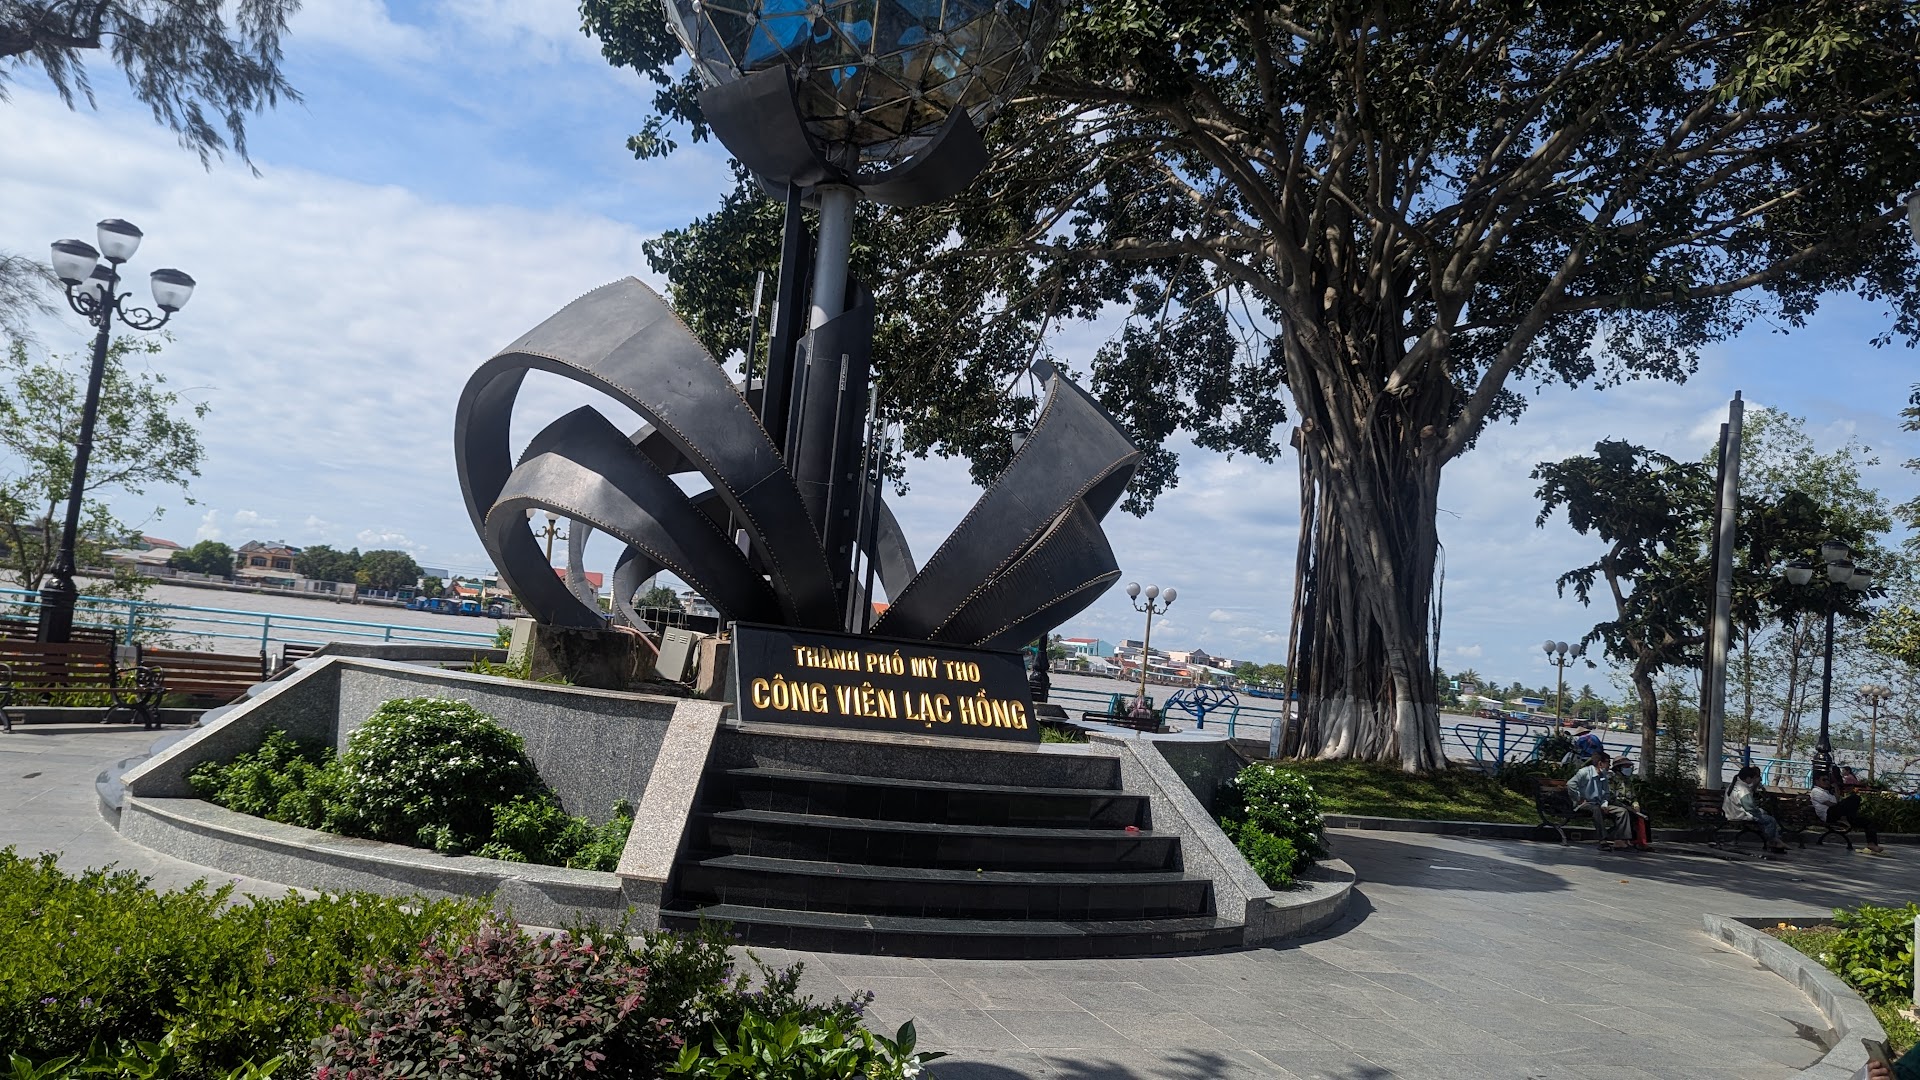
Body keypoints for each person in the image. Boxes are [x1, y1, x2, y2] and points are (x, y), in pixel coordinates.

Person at [1810, 772, 1888, 855]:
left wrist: (1836, 789)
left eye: (1827, 780)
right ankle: (1850, 817)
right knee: (1854, 798)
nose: (1827, 782)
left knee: (1868, 822)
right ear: (1817, 781)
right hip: (1828, 814)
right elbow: (1830, 804)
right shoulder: (1816, 791)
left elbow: (1836, 801)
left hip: (1836, 813)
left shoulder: (1827, 792)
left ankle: (1872, 844)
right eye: (1824, 780)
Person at [1569, 752, 1632, 848]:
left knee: (1622, 811)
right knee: (1596, 809)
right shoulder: (1584, 772)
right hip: (1585, 804)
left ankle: (1621, 840)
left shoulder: (1603, 776)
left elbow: (1606, 794)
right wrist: (1578, 798)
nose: (1609, 766)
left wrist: (1604, 804)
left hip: (1598, 803)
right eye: (1608, 763)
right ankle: (1603, 839)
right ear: (1600, 763)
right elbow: (1571, 784)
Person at [1724, 765, 1787, 854]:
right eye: (1752, 778)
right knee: (1770, 820)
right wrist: (1759, 813)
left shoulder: (1732, 785)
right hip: (1740, 815)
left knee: (1765, 817)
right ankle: (1772, 841)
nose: (1753, 780)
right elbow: (1750, 807)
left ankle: (1776, 840)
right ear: (1748, 778)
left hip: (1730, 813)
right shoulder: (1743, 789)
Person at [1608, 757, 1652, 850]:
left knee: (1644, 814)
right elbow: (1610, 797)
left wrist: (1636, 804)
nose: (1628, 769)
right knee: (1625, 813)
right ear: (1618, 768)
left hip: (1628, 804)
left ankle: (1640, 842)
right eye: (1626, 766)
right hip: (1615, 804)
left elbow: (1633, 797)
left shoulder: (1628, 781)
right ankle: (1620, 840)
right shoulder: (1611, 780)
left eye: (1629, 766)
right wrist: (1624, 806)